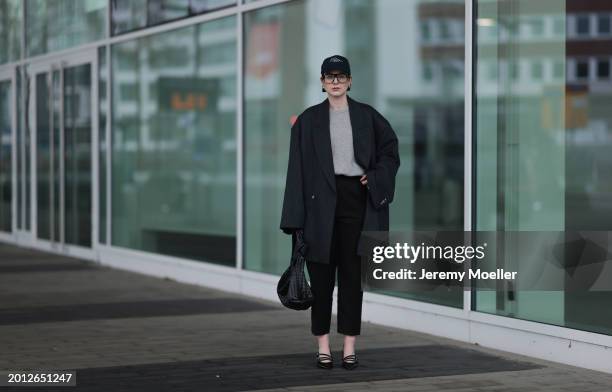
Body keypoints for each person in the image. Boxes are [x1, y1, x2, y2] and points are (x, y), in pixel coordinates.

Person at [279, 55, 400, 370]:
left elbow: (390, 152)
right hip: (318, 204)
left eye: (340, 76)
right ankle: (322, 346)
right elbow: (296, 173)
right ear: (322, 82)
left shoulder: (368, 116)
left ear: (349, 81)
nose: (335, 81)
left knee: (351, 277)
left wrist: (374, 177)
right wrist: (294, 220)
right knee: (320, 280)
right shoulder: (307, 121)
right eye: (329, 76)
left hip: (356, 200)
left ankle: (348, 347)